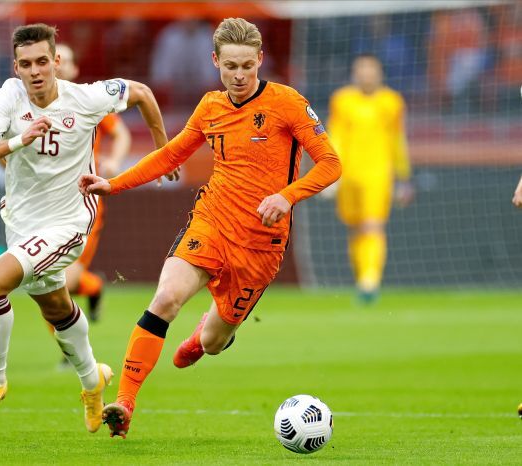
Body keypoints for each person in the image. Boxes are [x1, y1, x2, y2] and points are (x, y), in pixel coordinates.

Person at [79, 17, 341, 438]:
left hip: (261, 244)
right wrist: (114, 183)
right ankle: (125, 403)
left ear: (260, 59)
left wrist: (287, 196)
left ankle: (205, 334)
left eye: (247, 66)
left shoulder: (287, 103)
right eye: (230, 66)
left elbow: (331, 164)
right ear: (215, 61)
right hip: (212, 221)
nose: (239, 75)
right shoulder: (210, 106)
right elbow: (171, 155)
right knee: (166, 298)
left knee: (215, 342)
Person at [0, 23, 172, 433]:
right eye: (26, 64)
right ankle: (93, 383)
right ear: (16, 67)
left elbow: (143, 93)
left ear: (56, 62)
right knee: (57, 308)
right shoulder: (9, 96)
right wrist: (18, 141)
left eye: (42, 61)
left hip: (69, 222)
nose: (35, 71)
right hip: (22, 223)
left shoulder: (86, 98)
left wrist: (164, 152)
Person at [327, 54, 413, 304]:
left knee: (373, 225)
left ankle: (370, 281)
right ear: (355, 74)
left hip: (378, 173)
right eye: (361, 70)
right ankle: (362, 279)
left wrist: (403, 175)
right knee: (355, 227)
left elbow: (397, 139)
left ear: (379, 74)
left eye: (370, 70)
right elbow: (336, 136)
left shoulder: (391, 101)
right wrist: (330, 172)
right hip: (348, 173)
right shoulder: (342, 100)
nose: (366, 75)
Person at [55, 43, 132, 322]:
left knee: (61, 284)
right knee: (44, 281)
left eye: (64, 60)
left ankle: (69, 344)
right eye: (53, 59)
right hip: (46, 202)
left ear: (75, 69)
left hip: (83, 201)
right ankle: (93, 286)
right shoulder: (30, 105)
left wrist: (114, 161)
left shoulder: (89, 101)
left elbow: (122, 134)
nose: (58, 65)